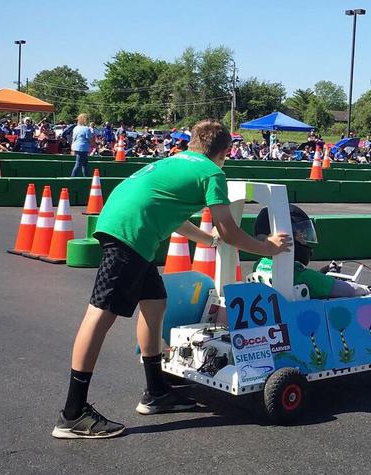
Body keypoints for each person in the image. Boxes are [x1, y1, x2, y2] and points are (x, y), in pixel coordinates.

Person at [51, 119, 292, 440]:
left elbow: (173, 214)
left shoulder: (177, 160)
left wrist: (205, 240)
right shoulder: (212, 172)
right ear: (225, 151)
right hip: (131, 233)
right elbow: (229, 229)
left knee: (154, 302)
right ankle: (73, 413)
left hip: (125, 223)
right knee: (100, 315)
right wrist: (267, 247)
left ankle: (156, 393)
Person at [252, 205, 371, 299]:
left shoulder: (259, 265)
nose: (304, 240)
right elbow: (350, 291)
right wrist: (368, 290)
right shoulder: (300, 275)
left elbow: (303, 281)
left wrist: (323, 273)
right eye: (301, 235)